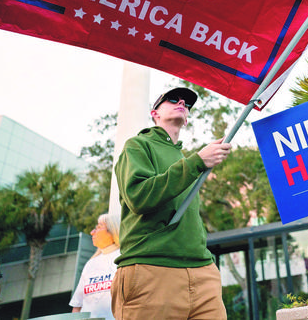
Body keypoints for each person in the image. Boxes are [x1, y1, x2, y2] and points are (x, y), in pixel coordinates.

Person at [111, 87, 232, 320]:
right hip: (151, 269)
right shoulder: (138, 145)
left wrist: (196, 162)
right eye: (173, 99)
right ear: (154, 113)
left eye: (186, 104)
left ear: (187, 119)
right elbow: (139, 197)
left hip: (203, 272)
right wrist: (197, 162)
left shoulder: (184, 158)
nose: (182, 103)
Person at [70, 213, 120, 319]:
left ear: (113, 230)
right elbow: (77, 305)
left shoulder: (123, 259)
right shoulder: (90, 263)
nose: (92, 232)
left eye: (98, 227)